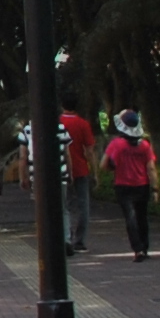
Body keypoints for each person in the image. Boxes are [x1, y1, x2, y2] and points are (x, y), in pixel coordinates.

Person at [104, 111, 159, 260]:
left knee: (130, 217)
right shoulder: (145, 145)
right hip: (142, 185)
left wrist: (115, 167)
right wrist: (155, 188)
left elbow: (104, 164)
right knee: (142, 217)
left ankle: (137, 249)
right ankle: (145, 247)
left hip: (122, 185)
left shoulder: (116, 144)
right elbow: (151, 168)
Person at [56, 103, 99, 253]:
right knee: (83, 206)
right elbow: (89, 150)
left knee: (63, 206)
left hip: (61, 170)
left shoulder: (57, 122)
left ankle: (66, 237)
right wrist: (95, 172)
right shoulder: (83, 124)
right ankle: (79, 241)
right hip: (81, 169)